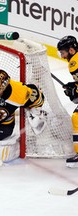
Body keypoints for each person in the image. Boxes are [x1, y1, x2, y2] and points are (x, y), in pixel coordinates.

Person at [57, 35, 78, 168]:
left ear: (71, 50)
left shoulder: (74, 62)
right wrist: (74, 86)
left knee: (76, 118)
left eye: (63, 53)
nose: (63, 56)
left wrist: (74, 92)